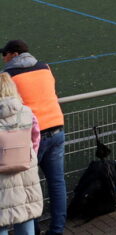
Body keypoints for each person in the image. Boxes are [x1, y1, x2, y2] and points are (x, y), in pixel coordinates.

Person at [2, 40, 65, 235]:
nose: (3, 58)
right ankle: (57, 229)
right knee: (57, 182)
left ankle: (33, 229)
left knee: (28, 185)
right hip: (57, 126)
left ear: (13, 54)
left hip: (30, 135)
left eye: (4, 54)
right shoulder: (45, 68)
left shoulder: (9, 76)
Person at [0, 72, 43, 235]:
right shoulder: (26, 112)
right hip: (26, 171)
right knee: (25, 215)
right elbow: (35, 139)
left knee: (2, 219)